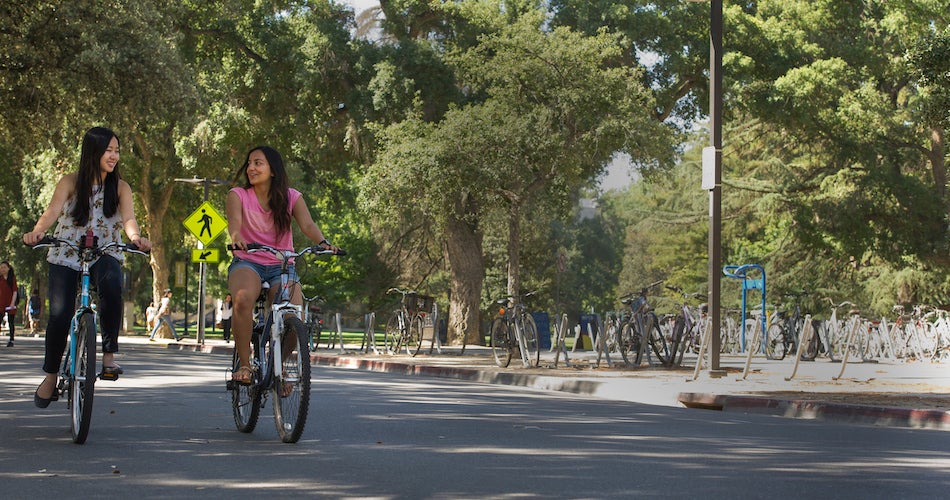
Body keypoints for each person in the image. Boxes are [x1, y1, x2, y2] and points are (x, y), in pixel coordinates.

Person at [23, 126, 152, 409]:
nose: (114, 156)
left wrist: (135, 239)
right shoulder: (70, 181)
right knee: (58, 313)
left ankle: (108, 357)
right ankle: (50, 376)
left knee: (112, 286)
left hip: (104, 250)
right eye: (109, 150)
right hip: (67, 251)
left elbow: (129, 219)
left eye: (117, 151)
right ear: (93, 152)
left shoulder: (120, 187)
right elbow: (52, 211)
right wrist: (37, 232)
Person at [226, 145, 338, 385]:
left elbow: (308, 225)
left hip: (282, 265)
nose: (251, 168)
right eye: (249, 163)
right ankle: (245, 365)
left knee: (294, 316)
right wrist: (237, 238)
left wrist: (323, 242)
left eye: (258, 163)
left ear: (273, 170)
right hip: (248, 261)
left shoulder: (292, 197)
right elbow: (234, 222)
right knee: (243, 300)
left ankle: (276, 365)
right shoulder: (238, 195)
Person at [0, 261, 17, 347]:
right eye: (1, 267)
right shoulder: (0, 279)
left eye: (4, 267)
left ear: (8, 268)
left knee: (11, 322)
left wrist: (12, 303)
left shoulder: (12, 279)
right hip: (1, 303)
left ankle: (11, 339)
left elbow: (15, 291)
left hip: (10, 304)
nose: (2, 269)